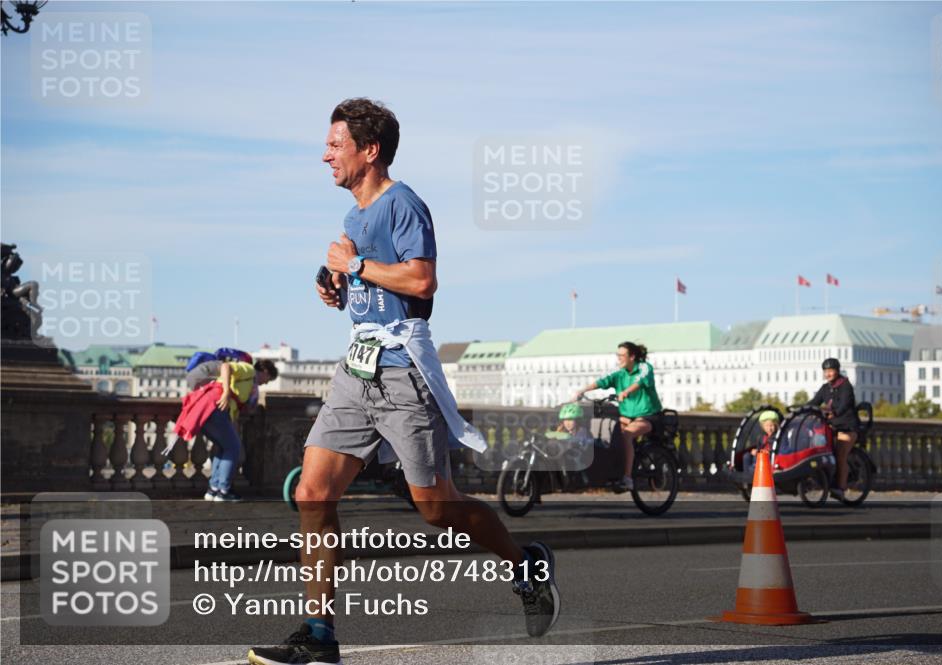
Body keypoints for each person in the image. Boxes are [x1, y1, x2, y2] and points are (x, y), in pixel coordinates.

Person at [248, 99, 559, 665]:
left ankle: (525, 562)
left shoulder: (404, 204)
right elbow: (364, 282)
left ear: (369, 151)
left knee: (437, 509)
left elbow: (421, 280)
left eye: (335, 144)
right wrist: (335, 286)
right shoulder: (353, 218)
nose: (325, 155)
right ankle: (319, 635)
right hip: (356, 370)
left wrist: (356, 268)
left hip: (402, 374)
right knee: (312, 493)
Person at [174, 358, 278, 501]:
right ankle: (223, 491)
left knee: (224, 447)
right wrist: (226, 392)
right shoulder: (249, 370)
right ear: (265, 372)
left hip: (211, 409)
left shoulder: (250, 382)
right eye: (268, 379)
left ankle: (213, 489)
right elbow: (226, 366)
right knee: (233, 447)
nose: (265, 383)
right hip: (215, 408)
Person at [574, 341, 663, 493]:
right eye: (618, 355)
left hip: (649, 416)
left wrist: (626, 392)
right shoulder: (619, 372)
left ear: (632, 357)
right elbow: (603, 381)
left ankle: (627, 479)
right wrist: (582, 391)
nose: (619, 358)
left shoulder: (644, 367)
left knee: (627, 435)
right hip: (627, 416)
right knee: (608, 433)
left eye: (622, 355)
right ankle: (614, 471)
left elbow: (640, 381)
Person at [806, 357, 860, 501]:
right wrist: (802, 409)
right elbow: (814, 402)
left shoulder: (845, 386)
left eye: (831, 371)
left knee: (840, 455)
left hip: (847, 427)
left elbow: (844, 405)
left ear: (837, 371)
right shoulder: (825, 388)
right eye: (826, 371)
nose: (828, 374)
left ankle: (841, 488)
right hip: (832, 427)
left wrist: (834, 413)